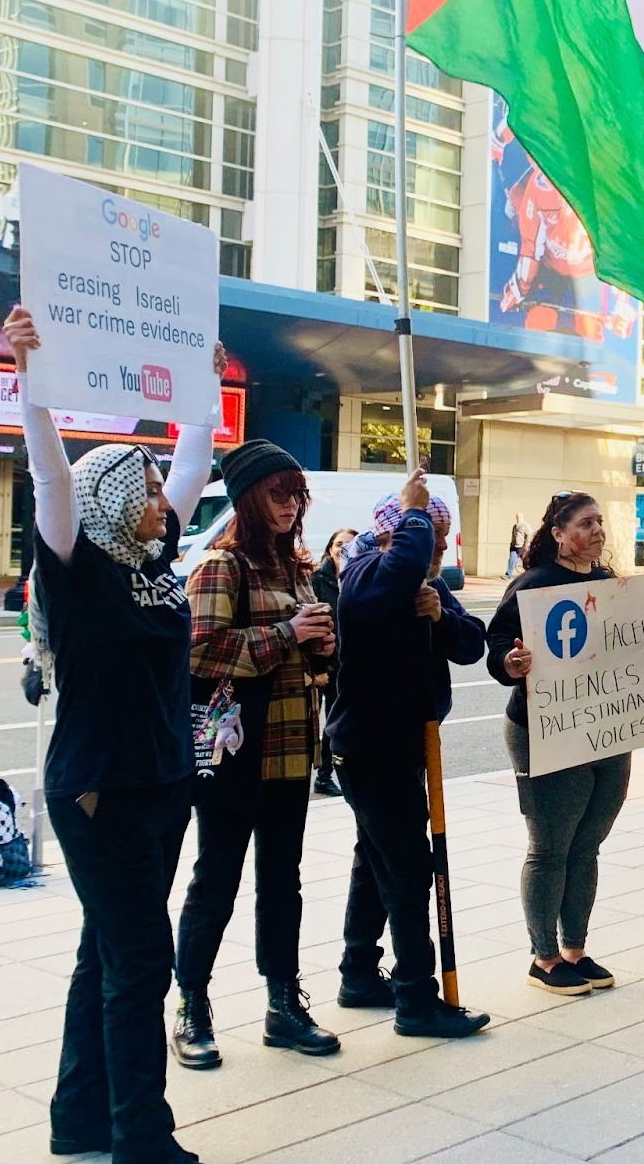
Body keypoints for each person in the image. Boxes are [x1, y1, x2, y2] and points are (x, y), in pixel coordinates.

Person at [6, 305, 221, 1164]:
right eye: (145, 486)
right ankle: (142, 1139)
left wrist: (200, 389)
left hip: (164, 781)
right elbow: (53, 479)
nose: (162, 497)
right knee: (141, 964)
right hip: (99, 790)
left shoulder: (154, 563)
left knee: (107, 950)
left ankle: (78, 1119)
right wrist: (32, 378)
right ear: (114, 501)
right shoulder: (77, 566)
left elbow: (197, 460)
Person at [172, 440, 339, 1069]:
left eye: (297, 494)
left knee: (282, 880)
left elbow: (312, 655)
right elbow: (197, 652)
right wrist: (288, 633)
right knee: (216, 875)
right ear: (248, 497)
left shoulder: (296, 568)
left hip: (293, 747)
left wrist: (323, 646)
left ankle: (282, 1004)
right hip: (235, 748)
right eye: (278, 493)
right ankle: (191, 1004)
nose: (291, 506)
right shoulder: (222, 566)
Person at [486, 491, 644, 994]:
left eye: (601, 521)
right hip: (545, 733)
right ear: (558, 534)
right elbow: (495, 652)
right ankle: (544, 957)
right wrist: (512, 665)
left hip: (605, 730)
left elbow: (639, 645)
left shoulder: (611, 585)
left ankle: (575, 949)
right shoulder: (532, 587)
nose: (597, 531)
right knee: (551, 846)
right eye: (585, 523)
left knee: (588, 843)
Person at [329, 473, 492, 1035]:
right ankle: (416, 998)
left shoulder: (424, 584)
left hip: (405, 746)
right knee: (406, 870)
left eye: (443, 545)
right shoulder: (368, 574)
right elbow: (396, 571)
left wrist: (440, 615)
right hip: (369, 748)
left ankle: (358, 972)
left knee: (373, 862)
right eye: (431, 540)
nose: (438, 553)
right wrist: (414, 513)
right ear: (393, 535)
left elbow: (473, 643)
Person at [310, 528, 355, 797]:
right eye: (339, 544)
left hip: (347, 665)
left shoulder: (359, 577)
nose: (343, 549)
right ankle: (320, 772)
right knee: (315, 721)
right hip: (321, 665)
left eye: (349, 544)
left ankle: (325, 774)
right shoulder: (317, 579)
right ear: (329, 549)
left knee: (335, 722)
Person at [505, 511, 531, 579]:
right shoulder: (515, 526)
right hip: (514, 547)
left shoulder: (525, 525)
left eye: (519, 516)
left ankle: (529, 575)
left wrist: (526, 546)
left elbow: (528, 536)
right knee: (511, 560)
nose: (518, 518)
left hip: (521, 547)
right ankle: (508, 575)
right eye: (517, 516)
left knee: (525, 561)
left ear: (522, 517)